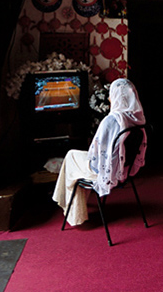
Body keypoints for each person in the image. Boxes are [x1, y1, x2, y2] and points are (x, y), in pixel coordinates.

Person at [52, 78, 147, 227]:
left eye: (111, 94)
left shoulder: (111, 121)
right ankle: (73, 208)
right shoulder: (137, 119)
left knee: (71, 156)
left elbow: (95, 156)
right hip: (125, 169)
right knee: (74, 162)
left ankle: (72, 211)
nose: (109, 98)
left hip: (106, 171)